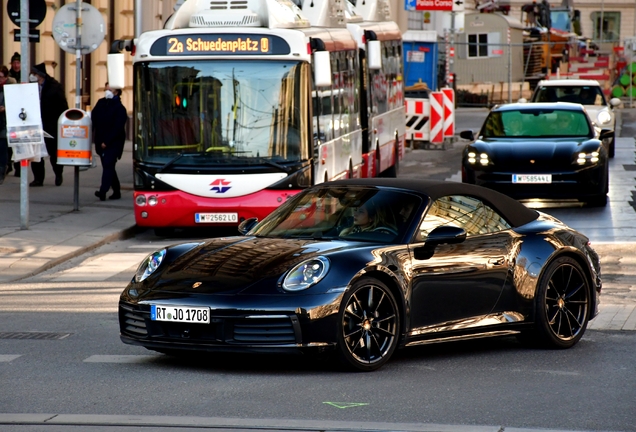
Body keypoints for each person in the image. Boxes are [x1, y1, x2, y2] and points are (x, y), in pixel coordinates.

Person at [29, 62, 69, 187]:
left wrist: (61, 123)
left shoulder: (54, 87)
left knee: (53, 152)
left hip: (51, 124)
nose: (32, 76)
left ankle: (58, 173)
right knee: (36, 153)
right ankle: (38, 178)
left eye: (34, 74)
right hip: (35, 124)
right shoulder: (31, 87)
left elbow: (63, 106)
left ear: (41, 75)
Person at [91, 82, 128, 200]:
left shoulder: (120, 108)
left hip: (113, 143)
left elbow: (117, 128)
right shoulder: (101, 103)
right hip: (100, 141)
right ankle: (116, 191)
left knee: (108, 165)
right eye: (106, 89)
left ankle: (103, 191)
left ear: (116, 91)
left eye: (110, 89)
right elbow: (94, 118)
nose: (107, 91)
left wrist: (106, 141)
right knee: (109, 167)